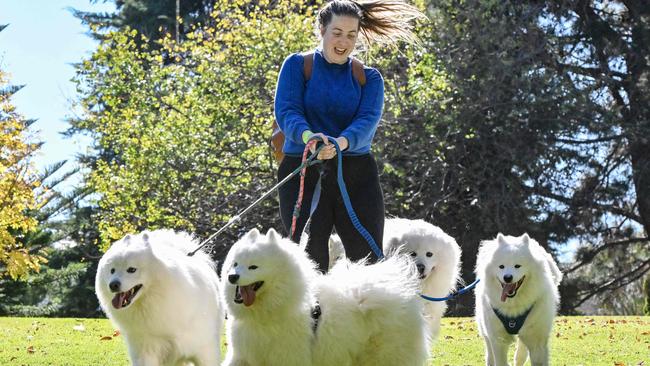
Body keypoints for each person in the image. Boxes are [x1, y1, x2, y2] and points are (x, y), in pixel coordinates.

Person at [274, 0, 425, 273]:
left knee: (366, 257)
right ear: (322, 30)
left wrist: (338, 143)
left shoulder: (370, 78)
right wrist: (312, 138)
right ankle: (313, 314)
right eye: (337, 33)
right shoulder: (297, 65)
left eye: (351, 35)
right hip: (304, 168)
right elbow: (287, 111)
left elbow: (367, 121)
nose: (344, 41)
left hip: (355, 172)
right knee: (309, 255)